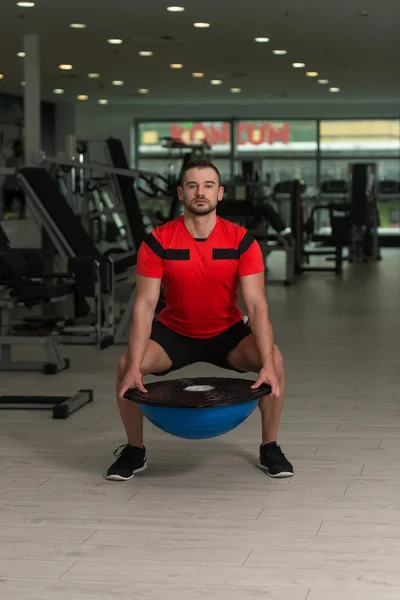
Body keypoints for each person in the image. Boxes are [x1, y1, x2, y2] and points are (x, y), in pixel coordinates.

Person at [107, 158, 294, 481]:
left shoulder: (241, 240)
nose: (200, 192)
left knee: (274, 360)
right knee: (126, 364)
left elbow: (256, 305)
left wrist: (264, 362)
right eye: (192, 185)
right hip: (174, 335)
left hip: (227, 334)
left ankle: (270, 446)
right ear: (181, 192)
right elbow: (145, 305)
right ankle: (134, 450)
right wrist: (136, 365)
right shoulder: (158, 241)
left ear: (220, 193)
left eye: (208, 186)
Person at [2, 140, 26, 219]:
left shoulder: (19, 159)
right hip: (9, 187)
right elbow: (17, 173)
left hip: (15, 187)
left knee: (22, 200)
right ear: (15, 149)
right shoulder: (11, 159)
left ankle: (20, 215)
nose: (21, 149)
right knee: (8, 207)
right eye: (19, 148)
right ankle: (8, 218)